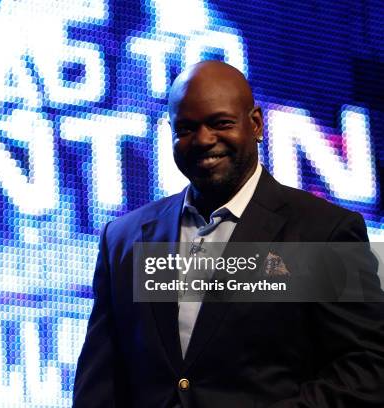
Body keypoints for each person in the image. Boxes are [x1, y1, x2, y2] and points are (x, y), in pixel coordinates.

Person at [72, 60, 384, 408]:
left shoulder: (323, 232)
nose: (203, 140)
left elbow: (366, 372)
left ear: (255, 124)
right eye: (186, 128)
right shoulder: (124, 239)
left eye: (220, 123)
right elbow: (99, 384)